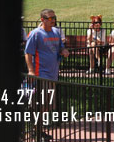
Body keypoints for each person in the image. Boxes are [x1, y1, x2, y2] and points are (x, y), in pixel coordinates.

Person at [24, 9, 69, 141]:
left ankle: (37, 129)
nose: (53, 20)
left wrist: (64, 50)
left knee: (48, 105)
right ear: (42, 19)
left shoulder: (56, 32)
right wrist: (31, 70)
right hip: (40, 73)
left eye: (54, 17)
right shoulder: (36, 34)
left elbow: (60, 47)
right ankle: (37, 132)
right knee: (40, 104)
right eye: (50, 18)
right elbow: (28, 53)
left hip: (53, 74)